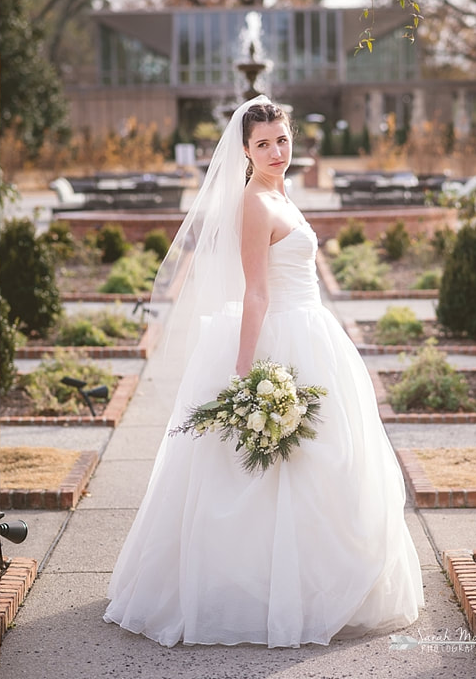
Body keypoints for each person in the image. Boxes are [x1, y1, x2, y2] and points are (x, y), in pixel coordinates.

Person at [103, 96, 423, 648]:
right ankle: (252, 594)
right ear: (245, 152)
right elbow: (254, 292)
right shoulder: (253, 202)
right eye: (264, 144)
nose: (277, 151)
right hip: (281, 336)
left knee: (328, 464)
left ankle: (313, 585)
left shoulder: (281, 191)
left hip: (314, 333)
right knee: (275, 471)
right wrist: (246, 373)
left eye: (283, 139)